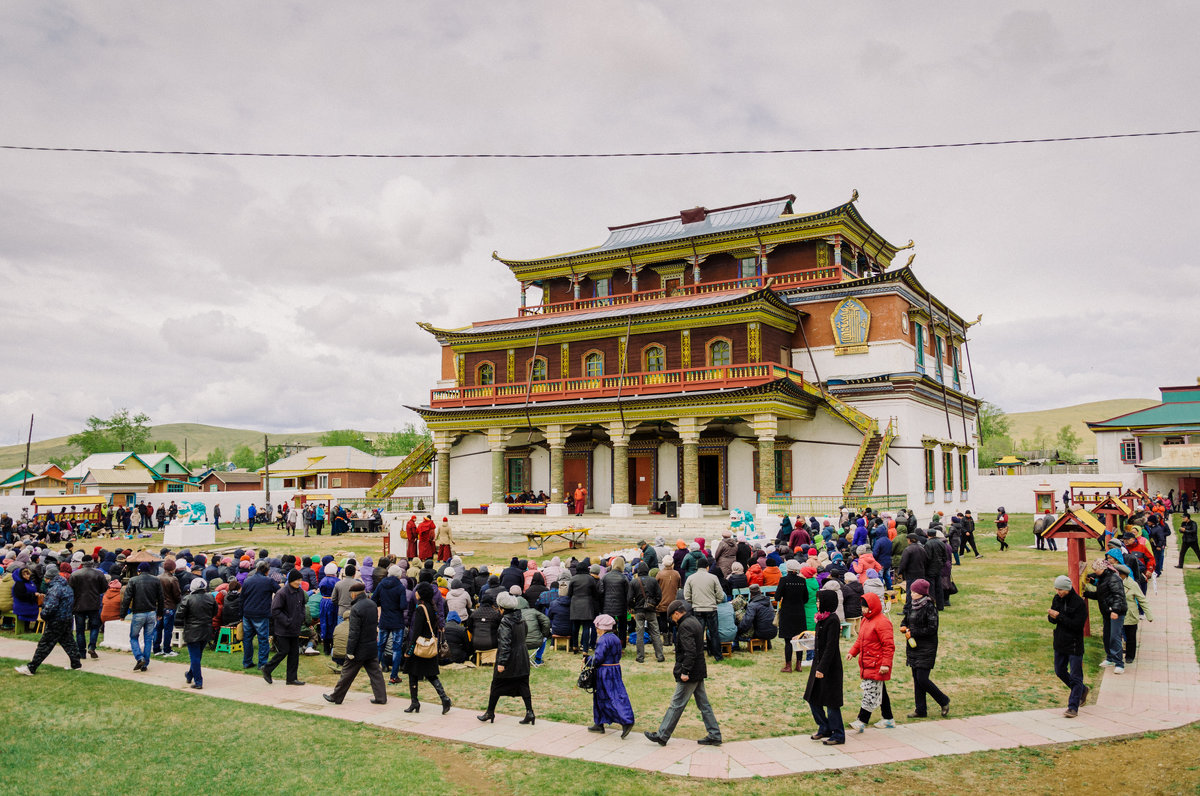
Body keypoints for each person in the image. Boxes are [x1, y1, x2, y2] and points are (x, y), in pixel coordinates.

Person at [643, 600, 722, 747]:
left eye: (672, 617)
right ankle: (715, 734)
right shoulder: (694, 621)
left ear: (677, 613)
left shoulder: (685, 626)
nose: (672, 620)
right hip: (698, 669)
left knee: (676, 704)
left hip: (690, 671)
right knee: (704, 704)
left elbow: (690, 652)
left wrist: (685, 671)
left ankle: (662, 734)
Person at [324, 581, 389, 705]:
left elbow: (354, 632)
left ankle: (336, 696)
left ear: (354, 594)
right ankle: (381, 697)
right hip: (371, 646)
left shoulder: (356, 608)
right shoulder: (372, 604)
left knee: (347, 674)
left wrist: (350, 651)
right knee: (376, 674)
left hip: (359, 649)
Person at [477, 593, 534, 725]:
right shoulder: (521, 618)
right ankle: (530, 712)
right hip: (523, 656)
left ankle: (490, 712)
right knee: (523, 684)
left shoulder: (505, 622)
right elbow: (524, 634)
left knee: (496, 684)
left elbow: (505, 643)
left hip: (510, 658)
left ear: (502, 608)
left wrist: (502, 662)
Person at [15, 566, 81, 676]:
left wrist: (44, 615)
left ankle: (31, 667)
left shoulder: (54, 589)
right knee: (68, 641)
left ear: (49, 578)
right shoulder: (67, 587)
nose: (44, 580)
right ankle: (76, 664)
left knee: (44, 644)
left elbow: (51, 607)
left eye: (45, 578)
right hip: (67, 618)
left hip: (56, 620)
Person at [900, 579, 950, 718]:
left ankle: (943, 700)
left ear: (922, 593)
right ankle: (920, 709)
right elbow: (906, 620)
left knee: (922, 678)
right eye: (912, 591)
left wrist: (913, 632)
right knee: (916, 678)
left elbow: (932, 628)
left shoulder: (929, 607)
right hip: (913, 646)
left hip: (926, 647)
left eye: (915, 592)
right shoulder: (912, 605)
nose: (912, 593)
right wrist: (903, 626)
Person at [847, 592, 895, 730]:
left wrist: (885, 664)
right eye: (861, 607)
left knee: (870, 692)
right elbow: (860, 640)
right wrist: (853, 652)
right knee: (879, 691)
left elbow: (889, 646)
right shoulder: (865, 620)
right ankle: (888, 719)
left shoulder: (882, 622)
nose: (862, 610)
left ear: (872, 607)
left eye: (865, 607)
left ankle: (862, 721)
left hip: (877, 664)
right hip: (868, 663)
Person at [804, 590, 845, 744]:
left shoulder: (832, 620)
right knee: (812, 697)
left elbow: (830, 646)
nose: (817, 604)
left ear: (827, 602)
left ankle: (838, 733)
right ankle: (824, 726)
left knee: (831, 700)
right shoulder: (821, 619)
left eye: (819, 601)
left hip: (829, 666)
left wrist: (822, 668)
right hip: (818, 663)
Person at [587, 613, 635, 737]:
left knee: (606, 696)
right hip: (615, 668)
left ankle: (626, 721)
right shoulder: (615, 637)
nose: (596, 630)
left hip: (604, 671)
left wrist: (587, 659)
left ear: (602, 628)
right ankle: (599, 722)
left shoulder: (603, 640)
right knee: (617, 694)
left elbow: (598, 658)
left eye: (597, 628)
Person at [1048, 575, 1088, 717]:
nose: (1059, 592)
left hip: (1074, 644)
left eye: (1061, 590)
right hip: (1060, 641)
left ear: (1068, 588)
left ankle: (1073, 707)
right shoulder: (1056, 599)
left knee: (1076, 675)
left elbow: (1077, 625)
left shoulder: (1079, 603)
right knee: (1060, 671)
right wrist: (1052, 617)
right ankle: (1082, 690)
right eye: (1057, 589)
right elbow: (1053, 620)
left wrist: (1059, 616)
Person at [262, 569, 307, 686]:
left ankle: (291, 678)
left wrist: (301, 616)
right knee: (283, 651)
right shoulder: (282, 593)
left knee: (294, 654)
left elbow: (303, 606)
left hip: (295, 628)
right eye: (297, 580)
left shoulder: (300, 592)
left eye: (300, 580)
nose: (299, 582)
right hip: (283, 629)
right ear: (291, 580)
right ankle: (267, 668)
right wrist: (287, 621)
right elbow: (275, 610)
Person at [1084, 554, 1128, 673]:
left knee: (1115, 636)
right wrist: (1086, 593)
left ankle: (1119, 663)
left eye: (1096, 569)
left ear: (1103, 568)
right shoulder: (1103, 578)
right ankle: (1110, 658)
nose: (1094, 572)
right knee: (1107, 635)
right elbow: (1100, 595)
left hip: (1116, 612)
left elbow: (1118, 596)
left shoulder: (1114, 578)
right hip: (1106, 612)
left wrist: (1115, 611)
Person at [121, 561, 164, 672]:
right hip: (151, 612)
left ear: (139, 571)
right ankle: (145, 663)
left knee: (134, 637)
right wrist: (160, 613)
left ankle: (139, 658)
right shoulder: (156, 580)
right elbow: (161, 598)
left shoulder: (133, 580)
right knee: (148, 639)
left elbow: (127, 598)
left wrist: (123, 613)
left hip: (138, 613)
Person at [176, 578, 216, 689]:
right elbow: (215, 612)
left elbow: (180, 614)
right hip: (206, 630)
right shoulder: (210, 598)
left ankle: (198, 681)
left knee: (195, 656)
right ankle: (190, 675)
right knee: (197, 656)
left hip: (192, 631)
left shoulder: (188, 599)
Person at [683, 561, 724, 661]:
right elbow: (720, 595)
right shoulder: (713, 578)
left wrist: (694, 602)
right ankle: (717, 655)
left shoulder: (691, 578)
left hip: (698, 608)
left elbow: (687, 596)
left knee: (698, 634)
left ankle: (698, 656)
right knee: (714, 633)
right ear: (707, 567)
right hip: (711, 608)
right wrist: (715, 602)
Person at [241, 561, 278, 670]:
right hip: (261, 613)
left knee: (247, 638)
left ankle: (247, 662)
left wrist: (241, 613)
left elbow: (242, 598)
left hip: (247, 612)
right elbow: (279, 591)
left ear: (256, 569)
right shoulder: (269, 581)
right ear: (267, 571)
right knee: (262, 639)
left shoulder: (247, 581)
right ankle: (262, 663)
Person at [374, 564, 408, 684]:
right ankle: (393, 676)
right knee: (396, 649)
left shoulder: (381, 584)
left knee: (380, 646)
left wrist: (382, 604)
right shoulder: (400, 587)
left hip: (384, 619)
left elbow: (374, 599)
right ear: (399, 575)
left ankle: (374, 674)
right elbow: (403, 605)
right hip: (397, 621)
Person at [69, 555, 107, 659]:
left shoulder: (75, 574)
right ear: (92, 562)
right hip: (93, 604)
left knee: (80, 630)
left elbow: (70, 589)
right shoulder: (99, 574)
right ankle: (92, 646)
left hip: (79, 605)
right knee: (94, 627)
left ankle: (81, 652)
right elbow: (104, 588)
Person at [776, 559, 810, 673]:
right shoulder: (802, 581)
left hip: (787, 612)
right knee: (799, 639)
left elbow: (777, 597)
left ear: (788, 569)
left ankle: (788, 665)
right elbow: (806, 598)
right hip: (799, 612)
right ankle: (799, 665)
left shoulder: (784, 580)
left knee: (788, 640)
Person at [630, 562, 664, 663]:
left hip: (639, 611)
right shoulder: (653, 581)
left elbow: (629, 598)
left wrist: (634, 607)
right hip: (651, 610)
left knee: (639, 633)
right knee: (655, 633)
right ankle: (660, 655)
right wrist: (654, 604)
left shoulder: (634, 582)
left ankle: (640, 656)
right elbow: (659, 596)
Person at [1120, 565, 1153, 664]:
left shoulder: (1132, 585)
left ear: (1123, 575)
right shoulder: (1115, 583)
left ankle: (1130, 656)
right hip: (1119, 613)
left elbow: (1142, 599)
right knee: (1118, 635)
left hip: (1130, 614)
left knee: (1130, 636)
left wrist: (1149, 615)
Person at [567, 564, 600, 653]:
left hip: (575, 604)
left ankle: (574, 646)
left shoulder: (573, 578)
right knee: (586, 627)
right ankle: (585, 649)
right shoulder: (590, 579)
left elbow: (569, 593)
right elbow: (595, 593)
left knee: (575, 626)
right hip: (587, 604)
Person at [154, 558, 182, 658]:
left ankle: (156, 648)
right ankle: (167, 649)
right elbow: (177, 594)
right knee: (168, 629)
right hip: (169, 606)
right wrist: (178, 601)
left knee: (158, 628)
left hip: (159, 606)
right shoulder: (173, 579)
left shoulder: (157, 578)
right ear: (172, 569)